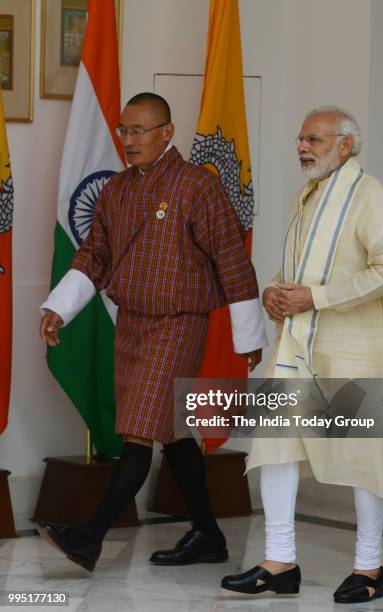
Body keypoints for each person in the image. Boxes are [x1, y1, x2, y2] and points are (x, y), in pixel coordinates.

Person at [37, 92, 267, 573]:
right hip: (134, 324)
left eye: (139, 130)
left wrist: (248, 338)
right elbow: (93, 256)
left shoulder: (196, 187)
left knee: (139, 432)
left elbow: (231, 257)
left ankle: (89, 536)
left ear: (167, 132)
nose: (128, 139)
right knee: (174, 434)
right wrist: (59, 307)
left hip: (179, 324)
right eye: (124, 130)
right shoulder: (115, 189)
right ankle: (208, 533)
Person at [221, 106, 383, 604]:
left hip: (358, 350)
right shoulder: (306, 196)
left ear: (346, 145)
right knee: (278, 445)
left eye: (314, 139)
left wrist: (316, 297)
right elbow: (295, 270)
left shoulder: (369, 195)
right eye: (300, 138)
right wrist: (273, 293)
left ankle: (370, 569)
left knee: (363, 456)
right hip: (299, 345)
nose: (303, 147)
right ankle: (279, 562)